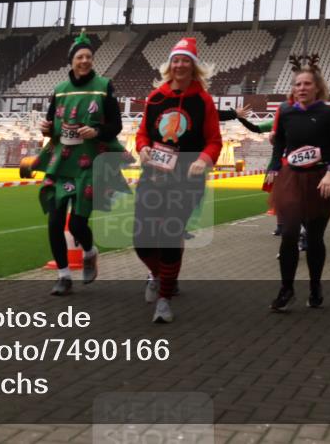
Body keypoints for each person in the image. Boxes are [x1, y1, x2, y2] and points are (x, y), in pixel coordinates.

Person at [134, 37, 222, 323]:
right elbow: (143, 133)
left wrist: (202, 160)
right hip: (154, 175)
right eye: (176, 60)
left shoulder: (203, 101)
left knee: (171, 235)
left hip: (186, 179)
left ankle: (164, 299)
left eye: (186, 60)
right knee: (142, 240)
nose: (180, 64)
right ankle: (159, 275)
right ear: (169, 65)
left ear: (194, 66)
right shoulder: (156, 97)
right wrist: (143, 147)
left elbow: (214, 141)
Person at [34, 30, 128, 295]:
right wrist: (45, 128)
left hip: (89, 163)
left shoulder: (104, 85)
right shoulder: (59, 91)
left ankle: (90, 251)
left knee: (76, 224)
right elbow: (52, 126)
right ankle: (64, 276)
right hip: (61, 164)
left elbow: (116, 125)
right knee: (54, 221)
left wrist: (97, 131)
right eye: (80, 56)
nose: (84, 60)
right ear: (71, 61)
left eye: (88, 56)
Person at [267, 55, 330, 312]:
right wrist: (274, 167)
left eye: (307, 84)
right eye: (298, 84)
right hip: (293, 179)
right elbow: (280, 144)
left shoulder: (328, 113)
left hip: (322, 180)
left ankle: (315, 285)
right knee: (288, 234)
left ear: (317, 88)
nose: (302, 88)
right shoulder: (285, 112)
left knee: (315, 238)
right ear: (292, 88)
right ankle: (286, 288)